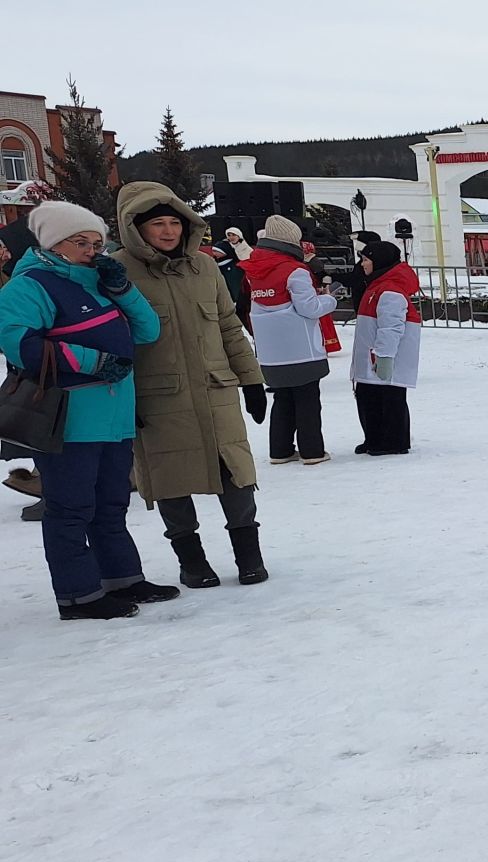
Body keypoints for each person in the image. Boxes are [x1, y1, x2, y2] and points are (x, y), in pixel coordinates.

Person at [0, 201, 173, 619]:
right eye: (81, 242)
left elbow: (148, 331)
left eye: (98, 241)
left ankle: (122, 578)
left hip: (114, 415)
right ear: (53, 243)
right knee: (70, 508)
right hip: (68, 418)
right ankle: (78, 595)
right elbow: (16, 343)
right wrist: (90, 361)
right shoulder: (29, 286)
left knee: (111, 503)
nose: (93, 249)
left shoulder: (98, 282)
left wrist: (122, 289)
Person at [113, 183, 271, 588]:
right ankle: (193, 562)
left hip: (215, 391)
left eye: (174, 223)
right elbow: (113, 343)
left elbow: (229, 327)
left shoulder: (204, 268)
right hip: (158, 399)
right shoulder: (116, 272)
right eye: (157, 224)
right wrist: (121, 398)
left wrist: (252, 380)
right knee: (171, 479)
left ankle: (249, 557)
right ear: (135, 228)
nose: (168, 232)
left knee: (236, 475)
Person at [245, 215, 337, 464]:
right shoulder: (295, 270)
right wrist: (329, 299)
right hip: (300, 348)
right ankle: (312, 450)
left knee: (282, 398)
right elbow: (308, 308)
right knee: (308, 400)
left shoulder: (254, 268)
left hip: (270, 352)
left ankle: (280, 450)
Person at [348, 240, 420, 455]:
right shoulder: (378, 285)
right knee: (369, 398)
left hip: (381, 357)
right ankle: (374, 437)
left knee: (387, 399)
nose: (362, 264)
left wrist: (385, 356)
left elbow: (391, 328)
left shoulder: (390, 290)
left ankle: (391, 441)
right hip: (372, 357)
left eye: (366, 259)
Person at [1, 217, 47, 521]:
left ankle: (48, 487)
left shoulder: (26, 280)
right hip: (25, 365)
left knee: (44, 424)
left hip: (37, 366)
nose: (3, 251)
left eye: (5, 247)